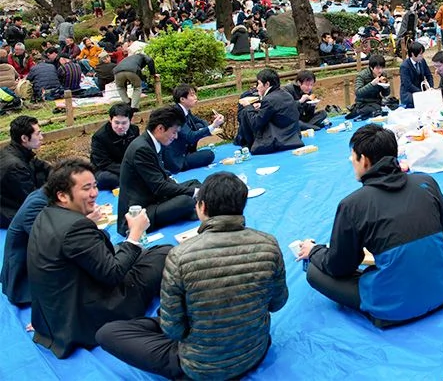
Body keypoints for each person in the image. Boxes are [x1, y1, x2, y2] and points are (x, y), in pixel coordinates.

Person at [96, 173, 288, 379]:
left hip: (200, 368)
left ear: (202, 207)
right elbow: (277, 302)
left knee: (108, 333)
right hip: (255, 351)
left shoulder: (180, 256)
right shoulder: (269, 244)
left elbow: (173, 330)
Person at [297, 124, 443, 326]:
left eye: (353, 155)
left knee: (314, 272)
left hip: (394, 308)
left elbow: (340, 267)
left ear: (364, 160)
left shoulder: (352, 204)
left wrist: (314, 251)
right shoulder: (426, 182)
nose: (351, 160)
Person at [27, 159, 170, 359]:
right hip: (89, 315)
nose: (94, 193)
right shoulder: (75, 228)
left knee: (134, 251)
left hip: (54, 314)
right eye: (86, 188)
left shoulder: (46, 215)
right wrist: (135, 234)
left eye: (95, 186)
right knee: (163, 253)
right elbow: (113, 274)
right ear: (62, 196)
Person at [117, 106, 201, 235]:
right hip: (139, 213)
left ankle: (193, 207)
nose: (176, 136)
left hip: (155, 196)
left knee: (194, 183)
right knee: (186, 200)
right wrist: (194, 193)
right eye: (174, 132)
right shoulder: (142, 149)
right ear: (160, 128)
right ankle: (193, 208)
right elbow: (160, 187)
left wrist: (193, 191)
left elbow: (163, 178)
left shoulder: (151, 142)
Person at [235, 69, 302, 155]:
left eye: (258, 83)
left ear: (267, 84)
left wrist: (248, 106)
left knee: (245, 112)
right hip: (293, 137)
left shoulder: (268, 99)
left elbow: (256, 123)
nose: (257, 87)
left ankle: (247, 145)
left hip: (276, 140)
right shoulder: (286, 94)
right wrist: (259, 108)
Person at [0, 116, 50, 228]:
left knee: (43, 174)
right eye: (38, 134)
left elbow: (44, 167)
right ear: (24, 138)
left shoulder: (20, 151)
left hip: (15, 199)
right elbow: (32, 199)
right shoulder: (15, 166)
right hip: (9, 212)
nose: (41, 137)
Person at [162, 84, 224, 173]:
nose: (196, 97)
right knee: (209, 155)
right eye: (192, 95)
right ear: (182, 99)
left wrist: (214, 124)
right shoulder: (176, 114)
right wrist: (213, 126)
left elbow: (201, 122)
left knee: (198, 125)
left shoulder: (184, 110)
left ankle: (191, 155)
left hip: (184, 150)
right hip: (176, 159)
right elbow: (190, 136)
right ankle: (185, 162)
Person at [1, 188, 48, 305]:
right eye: (86, 188)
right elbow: (52, 243)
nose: (93, 193)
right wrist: (83, 222)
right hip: (25, 278)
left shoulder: (42, 195)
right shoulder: (36, 204)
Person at [90, 103, 140, 190]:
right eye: (116, 122)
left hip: (129, 165)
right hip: (107, 169)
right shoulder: (99, 137)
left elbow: (139, 151)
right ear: (110, 120)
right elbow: (103, 163)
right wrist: (129, 170)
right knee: (106, 178)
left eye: (124, 123)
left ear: (131, 120)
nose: (120, 127)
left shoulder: (134, 130)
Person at [399, 41, 434, 108]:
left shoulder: (422, 61)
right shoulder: (404, 66)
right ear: (412, 54)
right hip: (408, 93)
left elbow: (429, 75)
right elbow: (408, 85)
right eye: (420, 54)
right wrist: (421, 92)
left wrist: (430, 87)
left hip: (421, 90)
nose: (422, 56)